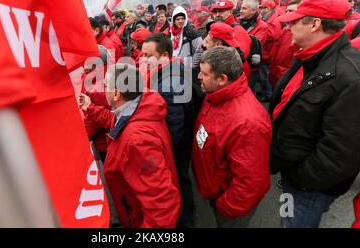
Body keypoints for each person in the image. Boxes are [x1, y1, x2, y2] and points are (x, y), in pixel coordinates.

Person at [270, 0, 360, 228]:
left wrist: (300, 177)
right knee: (287, 216)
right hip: (292, 172)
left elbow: (343, 151)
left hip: (309, 186)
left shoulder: (351, 76)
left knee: (293, 223)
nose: (288, 25)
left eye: (295, 20)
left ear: (315, 24)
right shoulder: (307, 55)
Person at [78, 64, 181, 228]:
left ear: (116, 94)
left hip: (139, 217)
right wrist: (90, 108)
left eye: (105, 85)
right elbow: (117, 123)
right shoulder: (140, 107)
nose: (103, 89)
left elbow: (162, 206)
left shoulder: (137, 141)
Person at [192, 47, 271, 228]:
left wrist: (226, 206)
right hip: (213, 188)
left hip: (228, 205)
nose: (198, 77)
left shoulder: (247, 123)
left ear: (222, 79)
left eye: (204, 73)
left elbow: (251, 182)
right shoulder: (216, 94)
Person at [141, 34, 196, 228]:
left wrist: (166, 152)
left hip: (177, 145)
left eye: (149, 55)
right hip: (180, 137)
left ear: (164, 55)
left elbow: (175, 125)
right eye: (142, 54)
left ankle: (185, 219)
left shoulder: (169, 83)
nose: (143, 59)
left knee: (179, 179)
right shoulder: (168, 69)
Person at [240, 0, 272, 102]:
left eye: (244, 8)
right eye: (241, 8)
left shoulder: (262, 26)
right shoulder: (239, 21)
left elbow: (255, 44)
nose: (241, 11)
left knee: (248, 90)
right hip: (239, 62)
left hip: (250, 65)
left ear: (253, 11)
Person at [269, 0, 302, 86]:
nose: (287, 14)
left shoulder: (305, 34)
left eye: (291, 11)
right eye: (286, 11)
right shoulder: (285, 29)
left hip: (288, 78)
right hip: (276, 74)